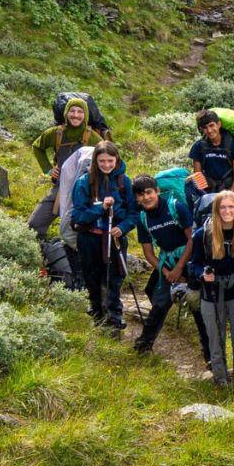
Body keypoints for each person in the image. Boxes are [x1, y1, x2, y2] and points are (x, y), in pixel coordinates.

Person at [186, 190, 234, 389]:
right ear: (216, 210)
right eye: (223, 207)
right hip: (211, 294)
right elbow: (194, 264)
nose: (227, 211)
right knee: (215, 342)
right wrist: (202, 274)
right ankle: (221, 383)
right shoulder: (203, 234)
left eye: (231, 207)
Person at [67, 141, 137, 332]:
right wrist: (100, 208)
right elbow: (78, 217)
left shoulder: (124, 182)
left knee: (115, 278)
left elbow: (134, 213)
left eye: (110, 161)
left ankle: (114, 318)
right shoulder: (84, 182)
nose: (106, 165)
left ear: (117, 159)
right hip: (89, 238)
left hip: (114, 238)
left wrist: (122, 228)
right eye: (102, 161)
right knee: (92, 277)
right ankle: (98, 315)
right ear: (95, 161)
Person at [29, 97, 108, 247]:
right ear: (66, 113)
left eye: (80, 112)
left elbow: (109, 160)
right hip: (59, 190)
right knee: (34, 225)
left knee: (79, 232)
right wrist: (48, 169)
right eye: (72, 111)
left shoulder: (93, 138)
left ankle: (79, 260)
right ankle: (45, 254)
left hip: (85, 192)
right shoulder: (55, 133)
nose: (75, 115)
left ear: (85, 115)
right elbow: (37, 147)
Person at [130, 174, 195, 354]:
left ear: (157, 191)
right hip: (167, 264)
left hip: (189, 259)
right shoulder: (142, 219)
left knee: (198, 305)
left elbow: (192, 239)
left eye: (149, 192)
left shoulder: (176, 207)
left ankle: (209, 354)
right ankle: (143, 346)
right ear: (136, 198)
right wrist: (168, 273)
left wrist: (179, 269)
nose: (146, 198)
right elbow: (148, 253)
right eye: (141, 195)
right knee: (158, 303)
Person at [187, 109, 234, 207]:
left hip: (230, 190)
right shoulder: (198, 147)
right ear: (201, 129)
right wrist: (205, 198)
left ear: (218, 124)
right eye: (205, 128)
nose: (209, 130)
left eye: (211, 125)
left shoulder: (233, 145)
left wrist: (231, 197)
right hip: (208, 193)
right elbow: (198, 176)